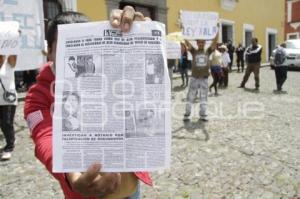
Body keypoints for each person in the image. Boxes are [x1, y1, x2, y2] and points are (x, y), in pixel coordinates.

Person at [24, 7, 152, 199]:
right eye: (69, 45)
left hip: (130, 186)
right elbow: (45, 138)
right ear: (49, 51)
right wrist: (70, 173)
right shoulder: (37, 97)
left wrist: (141, 35)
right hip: (86, 192)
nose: (80, 55)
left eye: (86, 46)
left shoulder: (108, 74)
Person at [183, 34, 218, 122]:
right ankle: (187, 114)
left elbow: (214, 42)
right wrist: (184, 31)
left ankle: (203, 114)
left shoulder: (208, 51)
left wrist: (217, 31)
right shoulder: (194, 51)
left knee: (203, 97)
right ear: (197, 43)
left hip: (204, 78)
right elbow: (187, 43)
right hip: (194, 78)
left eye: (202, 42)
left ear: (205, 43)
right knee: (190, 96)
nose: (201, 44)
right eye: (199, 42)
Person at [0, 55, 18, 160]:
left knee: (7, 122)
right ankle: (11, 138)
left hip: (8, 98)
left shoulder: (9, 58)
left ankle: (9, 147)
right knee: (2, 122)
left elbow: (14, 51)